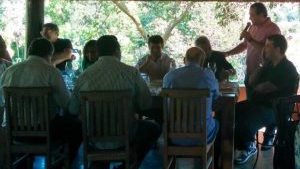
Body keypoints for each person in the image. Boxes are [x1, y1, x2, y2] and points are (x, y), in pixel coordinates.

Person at [69, 35, 161, 166]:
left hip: (93, 138)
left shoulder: (84, 75)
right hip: (125, 135)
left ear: (98, 52)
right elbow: (145, 105)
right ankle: (130, 164)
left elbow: (72, 109)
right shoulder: (131, 73)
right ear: (117, 50)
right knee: (154, 128)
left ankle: (99, 163)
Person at [0, 38, 82, 166]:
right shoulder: (51, 72)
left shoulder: (10, 72)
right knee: (77, 127)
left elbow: (3, 101)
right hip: (44, 133)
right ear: (50, 54)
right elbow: (67, 105)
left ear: (29, 52)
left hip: (13, 133)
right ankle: (61, 165)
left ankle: (23, 162)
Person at [234, 34, 299, 165]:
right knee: (231, 112)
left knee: (245, 123)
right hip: (259, 103)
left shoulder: (287, 68)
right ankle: (231, 146)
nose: (265, 49)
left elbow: (263, 88)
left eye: (268, 46)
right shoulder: (268, 65)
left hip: (275, 110)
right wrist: (263, 65)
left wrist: (256, 87)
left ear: (278, 49)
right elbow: (252, 82)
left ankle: (247, 147)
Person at [224, 2, 281, 148]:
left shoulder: (273, 29)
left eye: (252, 14)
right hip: (250, 73)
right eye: (249, 14)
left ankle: (269, 135)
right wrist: (228, 53)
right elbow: (245, 45)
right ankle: (249, 142)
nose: (250, 17)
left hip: (265, 75)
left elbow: (268, 51)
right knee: (251, 106)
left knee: (267, 105)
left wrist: (250, 39)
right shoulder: (252, 27)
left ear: (262, 14)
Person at [163, 47, 220, 144]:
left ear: (184, 60)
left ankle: (173, 155)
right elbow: (216, 96)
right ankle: (211, 157)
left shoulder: (170, 76)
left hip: (175, 134)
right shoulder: (208, 75)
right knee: (217, 122)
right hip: (203, 134)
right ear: (202, 61)